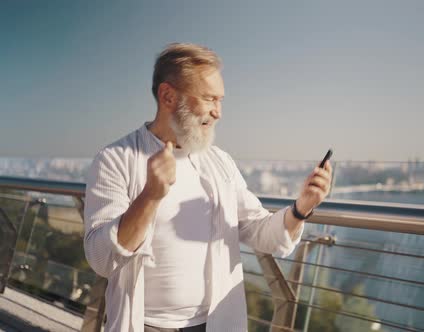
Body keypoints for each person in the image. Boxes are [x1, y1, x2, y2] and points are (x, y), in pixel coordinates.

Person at [83, 43, 332, 332]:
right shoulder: (115, 159)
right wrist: (150, 196)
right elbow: (101, 259)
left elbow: (260, 231)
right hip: (145, 324)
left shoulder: (220, 162)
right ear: (167, 96)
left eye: (220, 100)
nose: (218, 112)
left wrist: (302, 207)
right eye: (209, 98)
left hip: (214, 323)